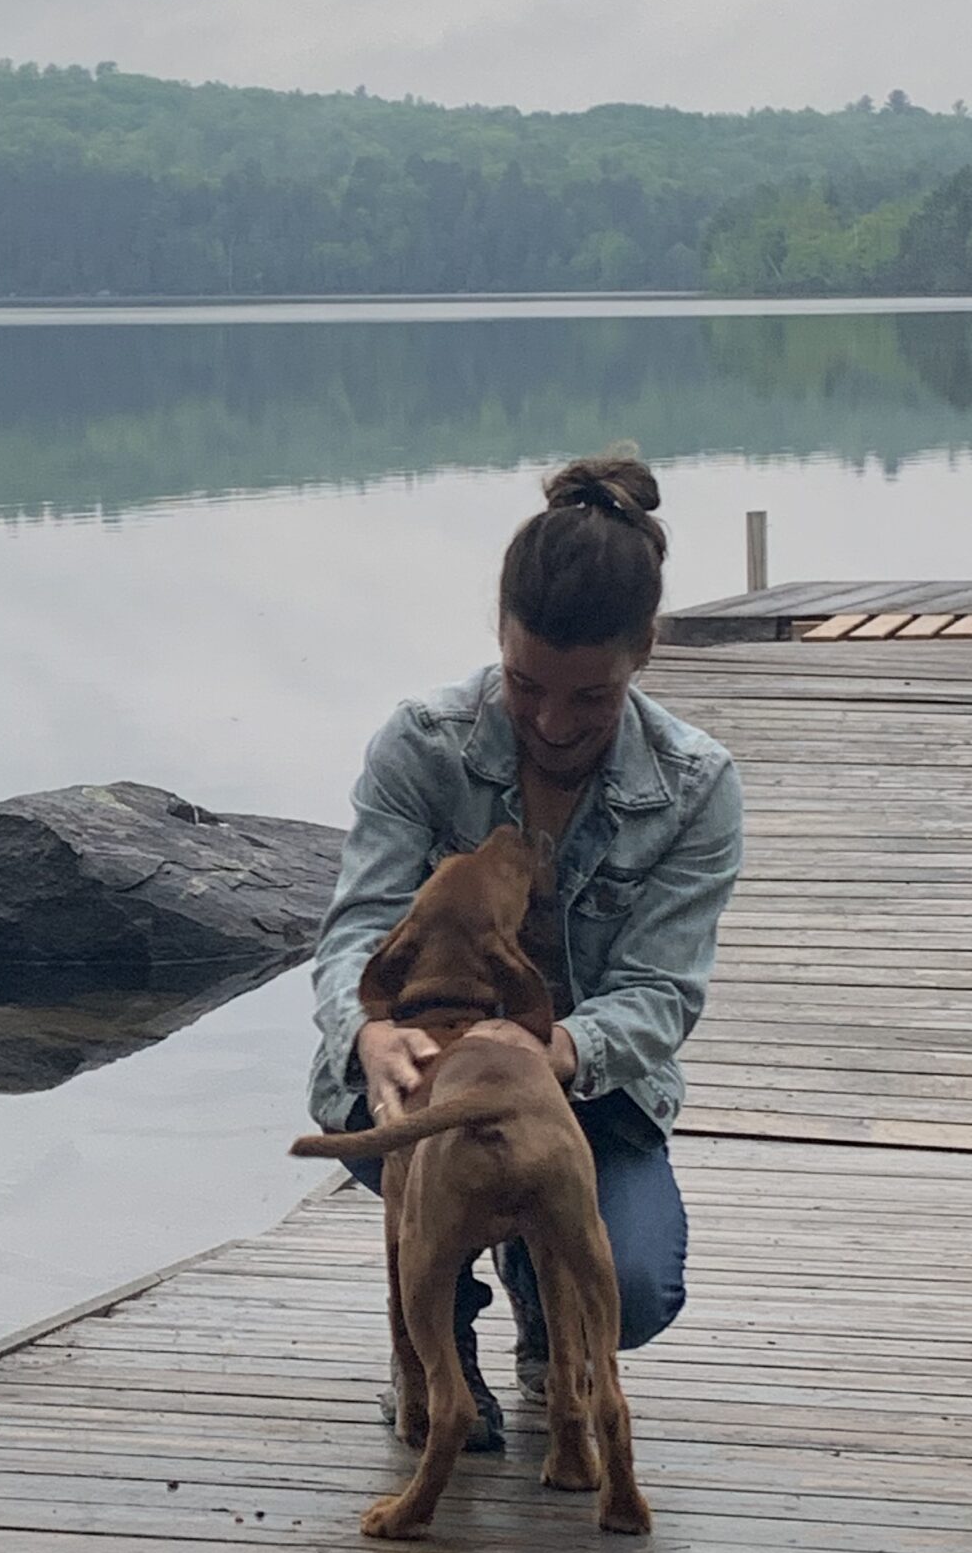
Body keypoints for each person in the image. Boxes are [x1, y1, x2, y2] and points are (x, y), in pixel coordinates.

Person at [308, 452, 742, 1449]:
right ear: (498, 640)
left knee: (633, 1289)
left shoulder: (698, 787)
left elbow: (662, 997)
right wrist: (367, 1039)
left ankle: (553, 1322)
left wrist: (550, 1058)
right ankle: (431, 1340)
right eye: (524, 683)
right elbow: (354, 931)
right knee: (402, 1136)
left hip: (588, 1097)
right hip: (424, 1089)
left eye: (589, 698)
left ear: (644, 653)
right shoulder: (420, 744)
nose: (552, 722)